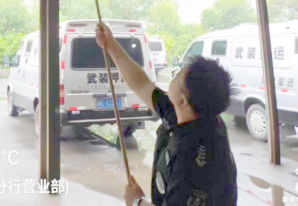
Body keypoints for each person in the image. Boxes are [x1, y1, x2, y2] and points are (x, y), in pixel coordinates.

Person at [95, 23, 238, 206]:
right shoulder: (195, 115)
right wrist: (111, 45)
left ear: (182, 100)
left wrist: (137, 202)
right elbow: (142, 84)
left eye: (177, 76)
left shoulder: (191, 159)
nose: (173, 76)